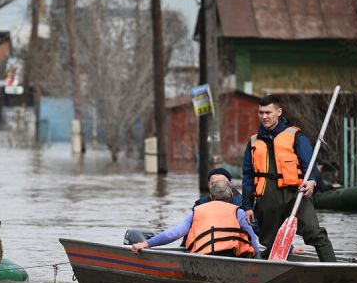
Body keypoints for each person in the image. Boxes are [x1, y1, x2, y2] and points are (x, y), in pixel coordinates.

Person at [241, 95, 336, 262]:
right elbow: (248, 176)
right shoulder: (253, 142)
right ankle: (273, 273)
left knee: (315, 233)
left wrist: (312, 182)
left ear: (278, 112)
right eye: (261, 113)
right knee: (271, 242)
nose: (264, 117)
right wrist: (248, 205)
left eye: (268, 112)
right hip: (267, 197)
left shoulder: (296, 137)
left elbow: (310, 166)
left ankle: (334, 269)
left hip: (296, 195)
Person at [131, 181, 260, 258]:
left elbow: (174, 233)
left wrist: (146, 244)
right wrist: (257, 257)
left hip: (204, 256)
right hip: (231, 256)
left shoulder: (198, 211)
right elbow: (252, 238)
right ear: (231, 196)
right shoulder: (239, 212)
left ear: (210, 196)